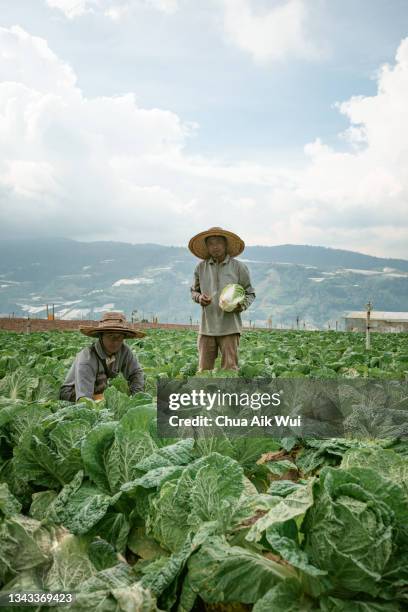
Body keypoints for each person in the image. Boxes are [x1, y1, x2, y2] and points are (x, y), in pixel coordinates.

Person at [189, 226, 256, 371]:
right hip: (207, 328)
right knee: (204, 371)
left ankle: (230, 393)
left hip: (230, 328)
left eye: (218, 242)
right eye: (211, 243)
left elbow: (250, 293)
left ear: (225, 245)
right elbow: (194, 291)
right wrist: (199, 297)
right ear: (207, 247)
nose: (215, 247)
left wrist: (241, 305)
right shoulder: (200, 268)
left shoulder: (239, 267)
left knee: (229, 370)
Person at [59, 311, 145, 402]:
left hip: (98, 388)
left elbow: (136, 373)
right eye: (110, 336)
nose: (115, 341)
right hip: (73, 392)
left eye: (119, 337)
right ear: (101, 336)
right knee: (106, 397)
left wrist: (136, 398)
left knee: (110, 393)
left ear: (123, 338)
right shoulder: (86, 359)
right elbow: (84, 400)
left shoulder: (124, 350)